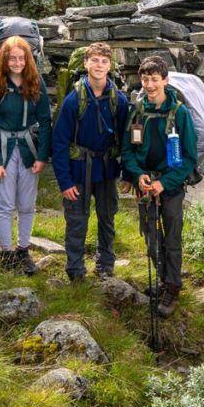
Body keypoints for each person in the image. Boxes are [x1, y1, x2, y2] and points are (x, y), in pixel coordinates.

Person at [121, 54, 197, 317]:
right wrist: (137, 175)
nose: (150, 85)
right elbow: (127, 151)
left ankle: (172, 287)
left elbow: (189, 158)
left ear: (165, 80)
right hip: (145, 184)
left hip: (171, 186)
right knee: (151, 237)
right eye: (145, 79)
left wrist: (165, 183)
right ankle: (165, 279)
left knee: (172, 238)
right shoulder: (138, 110)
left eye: (154, 79)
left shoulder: (180, 113)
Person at [50, 42, 129, 283]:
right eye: (94, 60)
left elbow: (126, 140)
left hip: (106, 169)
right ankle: (75, 269)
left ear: (110, 66)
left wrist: (127, 175)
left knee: (107, 218)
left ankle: (105, 264)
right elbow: (60, 142)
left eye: (104, 61)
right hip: (78, 171)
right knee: (76, 221)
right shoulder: (73, 100)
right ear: (86, 64)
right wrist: (64, 182)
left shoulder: (119, 100)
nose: (99, 65)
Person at [0, 36, 51, 272]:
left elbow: (45, 120)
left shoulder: (35, 82)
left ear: (28, 59)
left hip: (28, 149)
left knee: (27, 204)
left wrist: (42, 156)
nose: (17, 62)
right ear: (4, 59)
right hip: (4, 149)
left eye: (21, 58)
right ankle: (6, 253)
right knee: (5, 205)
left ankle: (23, 250)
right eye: (12, 58)